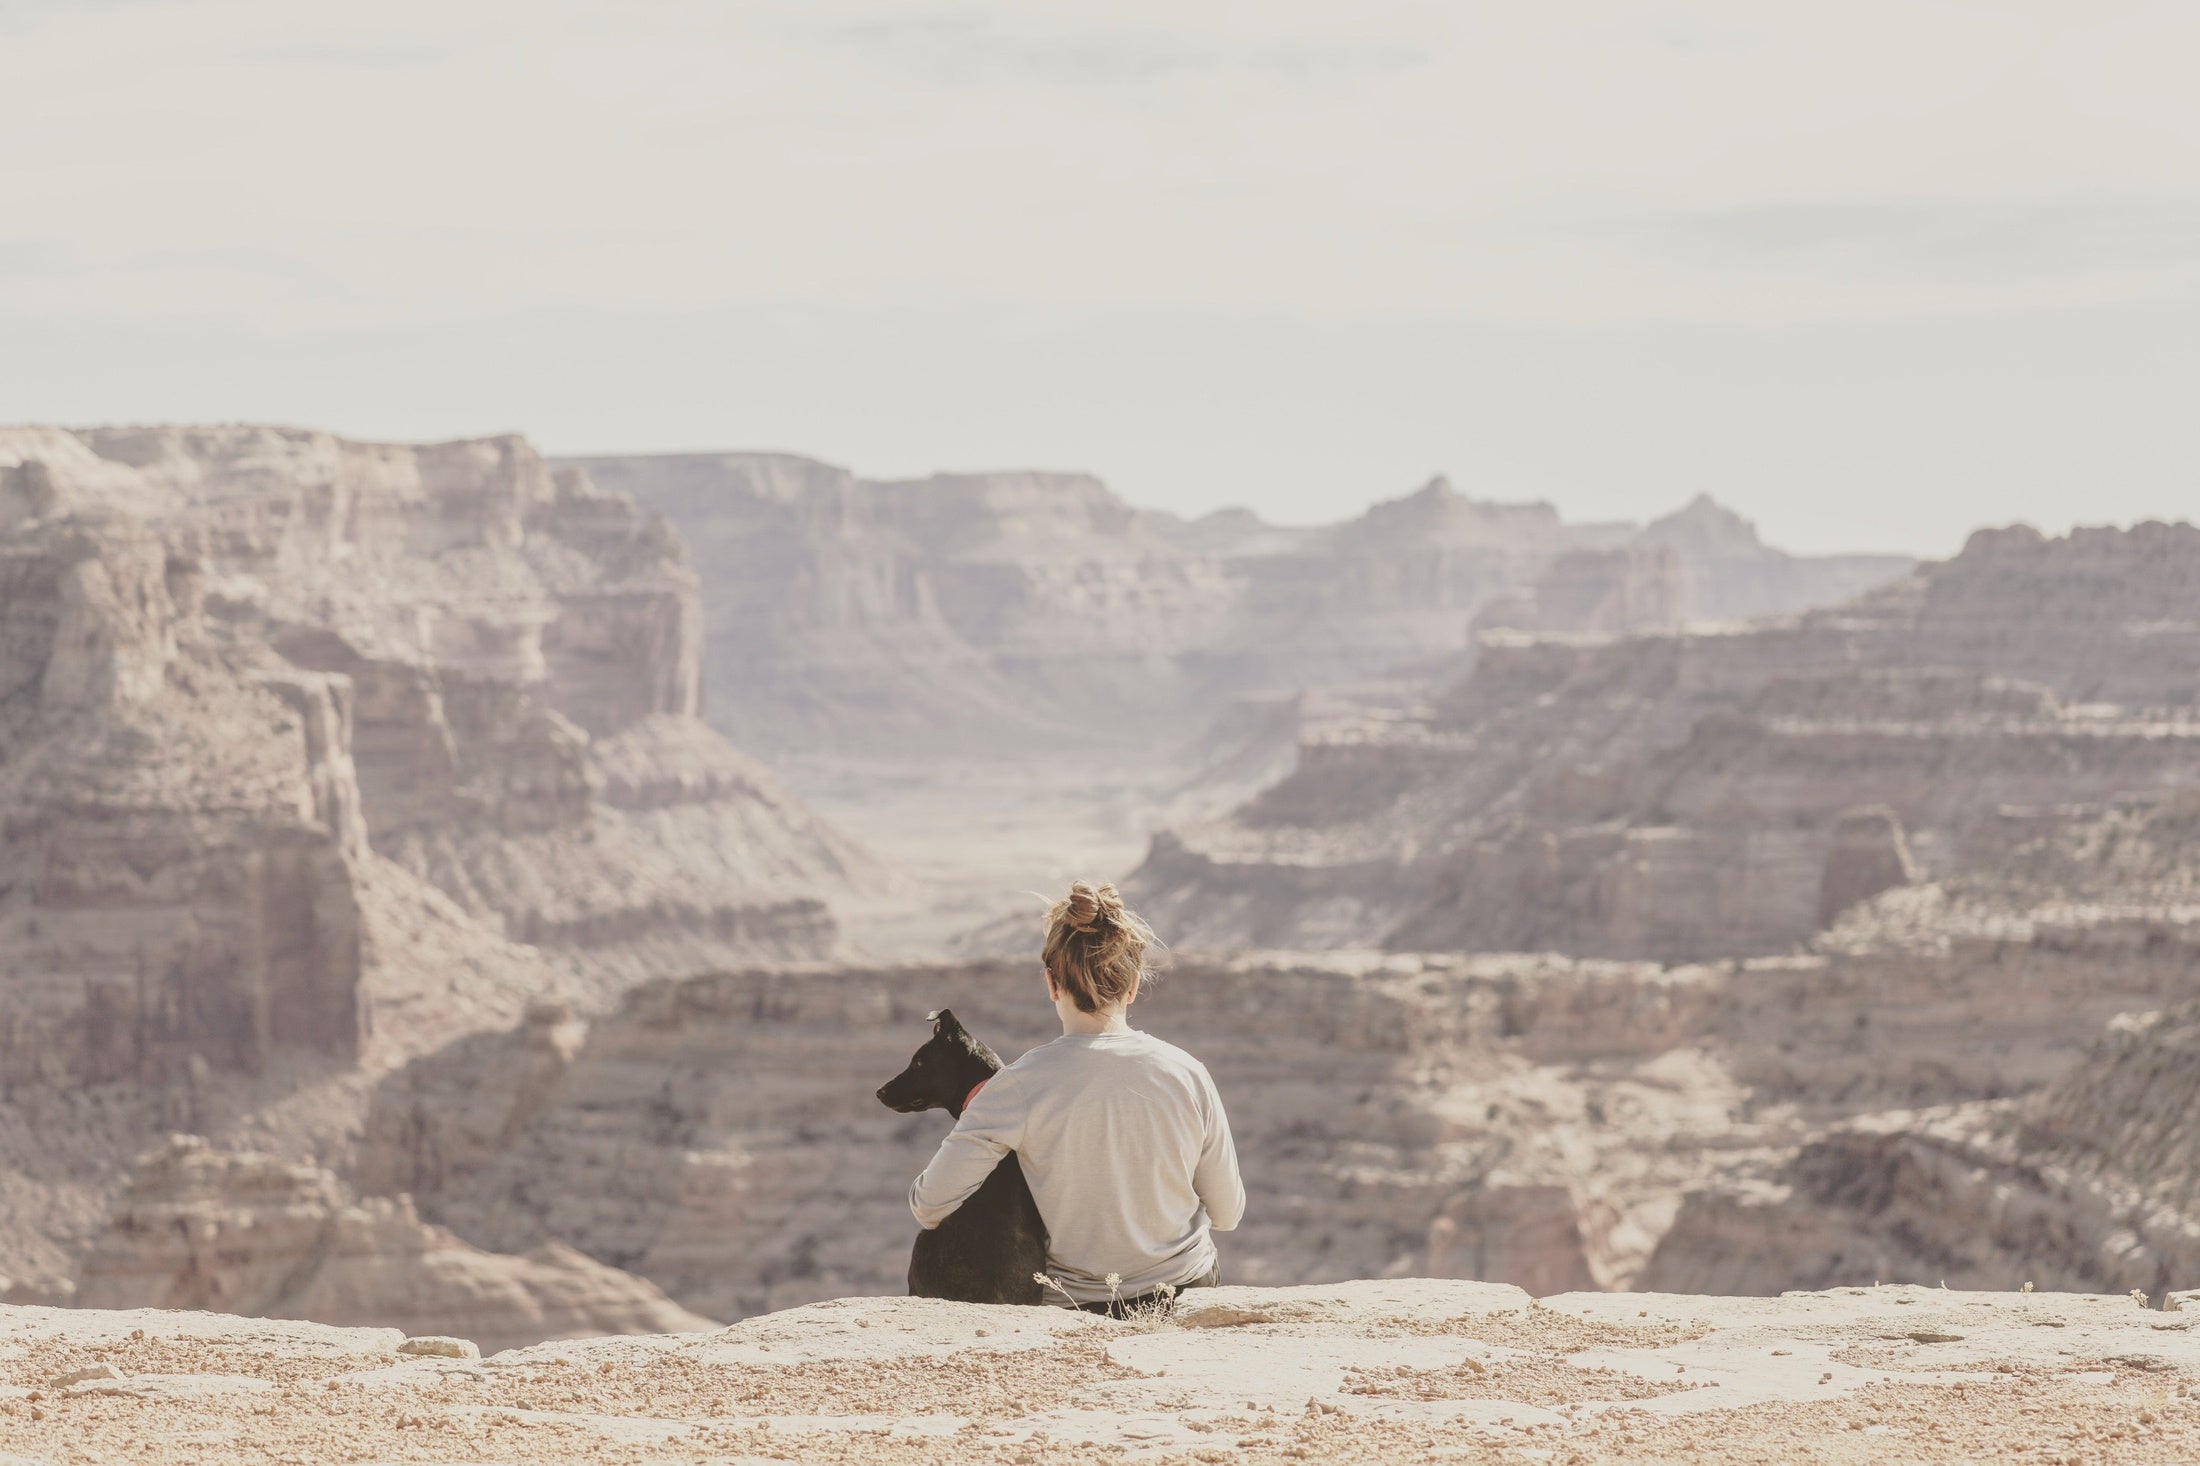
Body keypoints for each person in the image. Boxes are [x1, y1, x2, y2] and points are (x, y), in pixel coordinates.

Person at [908, 880, 1245, 1316]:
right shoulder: (1188, 1073)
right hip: (1185, 1292)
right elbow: (1228, 1213)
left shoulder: (1016, 1087)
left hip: (1081, 1306)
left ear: (1051, 983)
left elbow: (928, 1205)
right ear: (1133, 984)